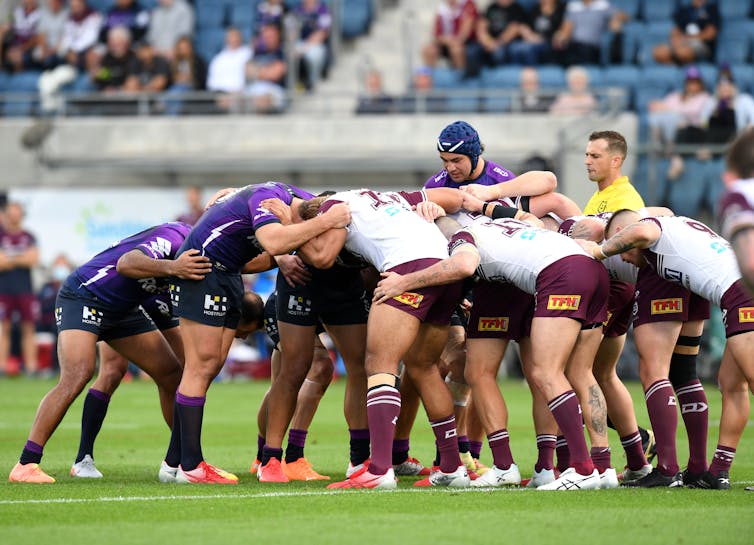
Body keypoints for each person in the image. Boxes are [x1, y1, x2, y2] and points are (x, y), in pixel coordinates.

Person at [374, 212, 611, 491]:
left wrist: (403, 282)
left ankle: (579, 468)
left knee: (545, 372)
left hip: (557, 275)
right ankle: (587, 466)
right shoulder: (498, 225)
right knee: (576, 373)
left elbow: (462, 264)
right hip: (586, 270)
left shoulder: (461, 235)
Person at [270, 187, 471, 490]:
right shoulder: (391, 196)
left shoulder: (334, 208)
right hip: (446, 270)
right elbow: (457, 198)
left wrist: (289, 228)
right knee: (424, 368)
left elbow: (323, 258)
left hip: (407, 269)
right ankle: (453, 468)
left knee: (379, 365)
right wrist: (434, 209)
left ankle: (378, 470)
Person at [165, 182, 350, 484]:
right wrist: (327, 222)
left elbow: (274, 240)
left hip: (228, 272)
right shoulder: (271, 198)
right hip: (204, 268)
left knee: (208, 367)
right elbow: (274, 241)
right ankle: (190, 465)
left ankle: (175, 462)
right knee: (201, 366)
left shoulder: (302, 200)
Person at [7, 221, 209, 483]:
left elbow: (176, 337)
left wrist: (200, 368)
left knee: (172, 374)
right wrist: (173, 267)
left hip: (123, 310)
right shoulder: (173, 236)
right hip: (84, 296)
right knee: (78, 374)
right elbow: (126, 263)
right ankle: (26, 463)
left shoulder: (194, 263)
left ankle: (185, 459)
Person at [584, 210, 754, 489]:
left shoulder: (650, 230)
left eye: (621, 247)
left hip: (742, 295)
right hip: (730, 292)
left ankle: (667, 469)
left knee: (656, 370)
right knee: (732, 384)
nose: (623, 257)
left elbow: (642, 232)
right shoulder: (677, 227)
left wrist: (600, 250)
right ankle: (716, 472)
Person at [70, 291, 264, 480]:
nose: (245, 337)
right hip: (136, 300)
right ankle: (177, 459)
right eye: (246, 331)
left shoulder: (213, 297)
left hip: (137, 297)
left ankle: (178, 457)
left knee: (167, 375)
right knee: (123, 372)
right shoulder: (206, 300)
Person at [0, 202, 39, 377]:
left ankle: (31, 368)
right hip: (3, 289)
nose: (14, 217)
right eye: (11, 213)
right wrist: (20, 257)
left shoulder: (29, 236)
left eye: (17, 213)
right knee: (3, 328)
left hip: (25, 290)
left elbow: (32, 259)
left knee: (28, 328)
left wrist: (10, 258)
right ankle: (2, 367)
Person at [552, 0, 626, 66]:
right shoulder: (573, 6)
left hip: (592, 46)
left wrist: (616, 19)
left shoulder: (603, 5)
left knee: (580, 52)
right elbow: (567, 27)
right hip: (574, 45)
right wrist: (561, 37)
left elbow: (622, 16)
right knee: (557, 49)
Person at [652, 0, 719, 66]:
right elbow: (676, 30)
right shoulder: (685, 10)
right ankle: (676, 67)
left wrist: (688, 38)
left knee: (682, 52)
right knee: (659, 52)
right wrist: (675, 41)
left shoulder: (711, 9)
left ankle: (680, 66)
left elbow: (711, 34)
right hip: (682, 42)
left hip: (701, 44)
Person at [422, 0, 478, 74]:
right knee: (428, 50)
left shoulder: (468, 4)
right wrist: (447, 41)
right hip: (447, 42)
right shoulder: (441, 9)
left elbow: (465, 32)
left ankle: (460, 77)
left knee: (456, 50)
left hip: (466, 43)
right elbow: (436, 35)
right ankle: (429, 77)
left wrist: (454, 41)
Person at [244, 22, 287, 114]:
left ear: (278, 36)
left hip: (275, 90)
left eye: (271, 36)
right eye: (266, 37)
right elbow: (247, 70)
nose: (268, 39)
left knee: (262, 101)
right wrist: (266, 71)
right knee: (230, 99)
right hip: (254, 88)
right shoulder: (257, 52)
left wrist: (258, 71)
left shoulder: (282, 53)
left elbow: (275, 74)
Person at [472, 0, 528, 68]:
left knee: (499, 53)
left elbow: (514, 29)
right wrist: (487, 42)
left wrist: (497, 44)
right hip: (490, 42)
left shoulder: (517, 8)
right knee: (473, 50)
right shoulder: (491, 7)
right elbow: (481, 26)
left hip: (507, 43)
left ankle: (501, 76)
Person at [292, 0, 330, 91]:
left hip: (315, 44)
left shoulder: (323, 10)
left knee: (314, 54)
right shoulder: (297, 10)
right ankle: (294, 82)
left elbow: (322, 33)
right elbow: (291, 32)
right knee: (288, 52)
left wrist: (305, 47)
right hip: (299, 42)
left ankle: (312, 81)